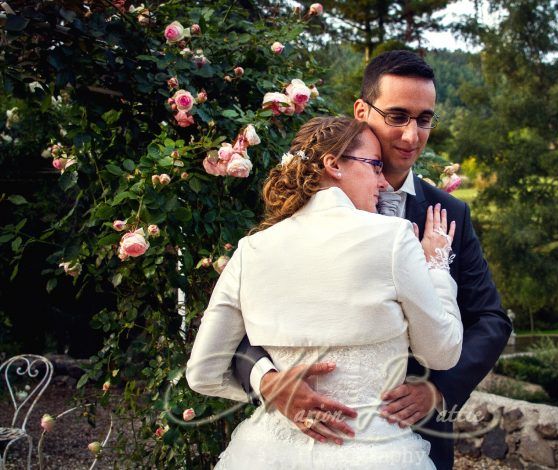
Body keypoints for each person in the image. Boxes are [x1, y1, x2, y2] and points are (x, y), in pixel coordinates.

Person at [233, 51, 513, 470]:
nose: (412, 135)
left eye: (424, 119)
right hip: (297, 438)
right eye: (398, 116)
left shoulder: (449, 214)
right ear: (362, 111)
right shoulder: (300, 206)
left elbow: (491, 319)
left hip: (413, 440)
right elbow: (241, 319)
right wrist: (268, 382)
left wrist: (438, 390)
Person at [187, 116, 463, 469]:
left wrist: (266, 382)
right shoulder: (394, 238)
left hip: (265, 454)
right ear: (333, 165)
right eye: (375, 165)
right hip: (375, 454)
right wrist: (437, 265)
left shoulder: (250, 249)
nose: (382, 181)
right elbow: (442, 354)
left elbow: (203, 373)